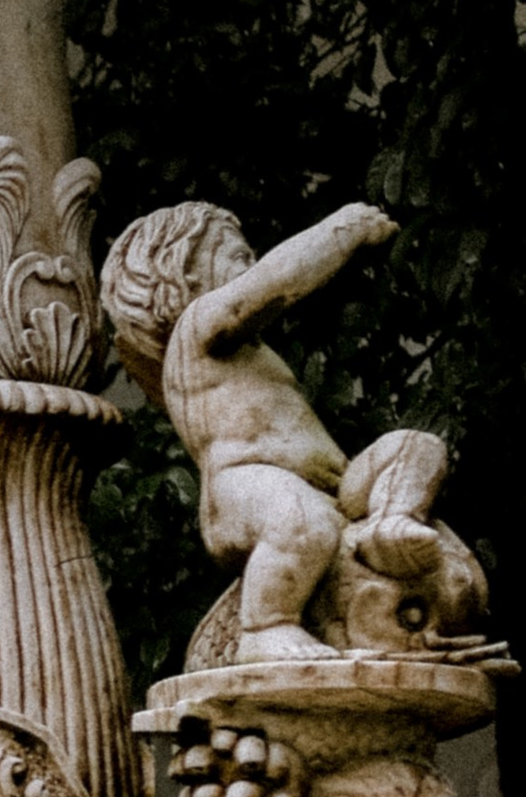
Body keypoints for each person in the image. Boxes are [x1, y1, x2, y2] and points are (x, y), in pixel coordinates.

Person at [99, 194, 463, 664]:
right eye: (236, 255)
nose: (251, 265)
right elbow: (275, 283)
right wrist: (341, 231)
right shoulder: (198, 327)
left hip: (332, 493)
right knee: (301, 523)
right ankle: (266, 625)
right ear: (185, 275)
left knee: (418, 446)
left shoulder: (252, 353)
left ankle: (393, 522)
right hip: (247, 489)